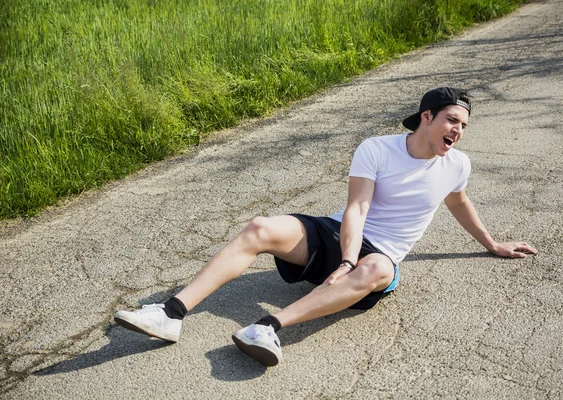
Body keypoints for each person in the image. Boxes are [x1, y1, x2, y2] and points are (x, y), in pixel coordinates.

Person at [114, 87, 537, 367]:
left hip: (380, 256)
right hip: (339, 235)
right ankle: (170, 314)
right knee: (260, 226)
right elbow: (356, 208)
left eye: (463, 125)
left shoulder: (458, 165)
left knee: (380, 270)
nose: (458, 131)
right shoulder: (377, 149)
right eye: (451, 120)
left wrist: (492, 242)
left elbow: (459, 201)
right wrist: (347, 258)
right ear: (426, 116)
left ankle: (267, 328)